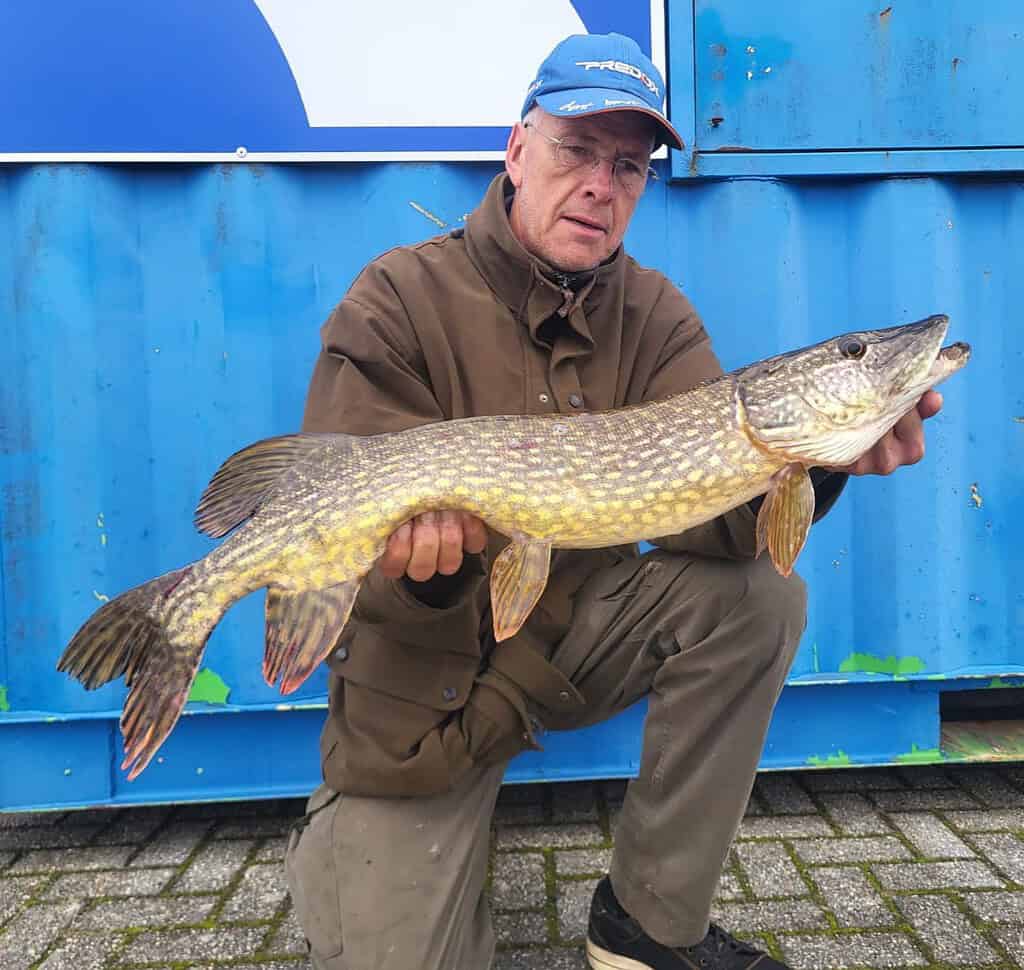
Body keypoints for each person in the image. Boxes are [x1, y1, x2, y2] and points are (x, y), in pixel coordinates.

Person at [284, 32, 942, 970]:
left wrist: (826, 463)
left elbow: (721, 527)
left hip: (560, 644)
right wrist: (427, 573)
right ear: (517, 151)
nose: (602, 183)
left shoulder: (656, 313)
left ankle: (646, 924)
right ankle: (343, 847)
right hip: (414, 700)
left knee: (759, 597)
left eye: (629, 166)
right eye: (576, 150)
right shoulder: (397, 298)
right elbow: (345, 557)